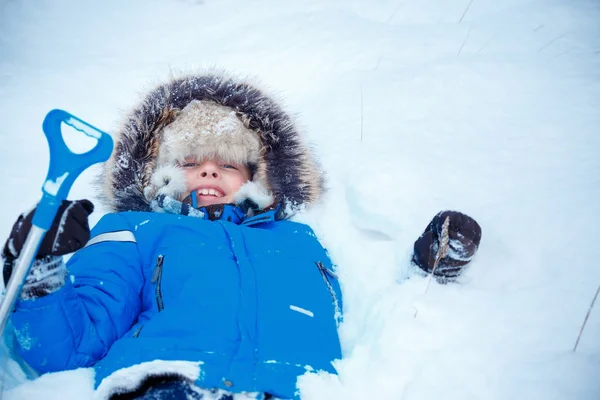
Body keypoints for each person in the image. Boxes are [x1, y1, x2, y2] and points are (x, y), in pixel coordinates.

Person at [1, 72, 482, 400]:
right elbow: (71, 347)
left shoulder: (299, 240)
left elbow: (364, 325)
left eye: (227, 162)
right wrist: (38, 271)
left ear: (257, 176)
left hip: (297, 388)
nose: (208, 169)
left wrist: (427, 274)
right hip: (169, 383)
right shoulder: (136, 229)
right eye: (190, 162)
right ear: (161, 174)